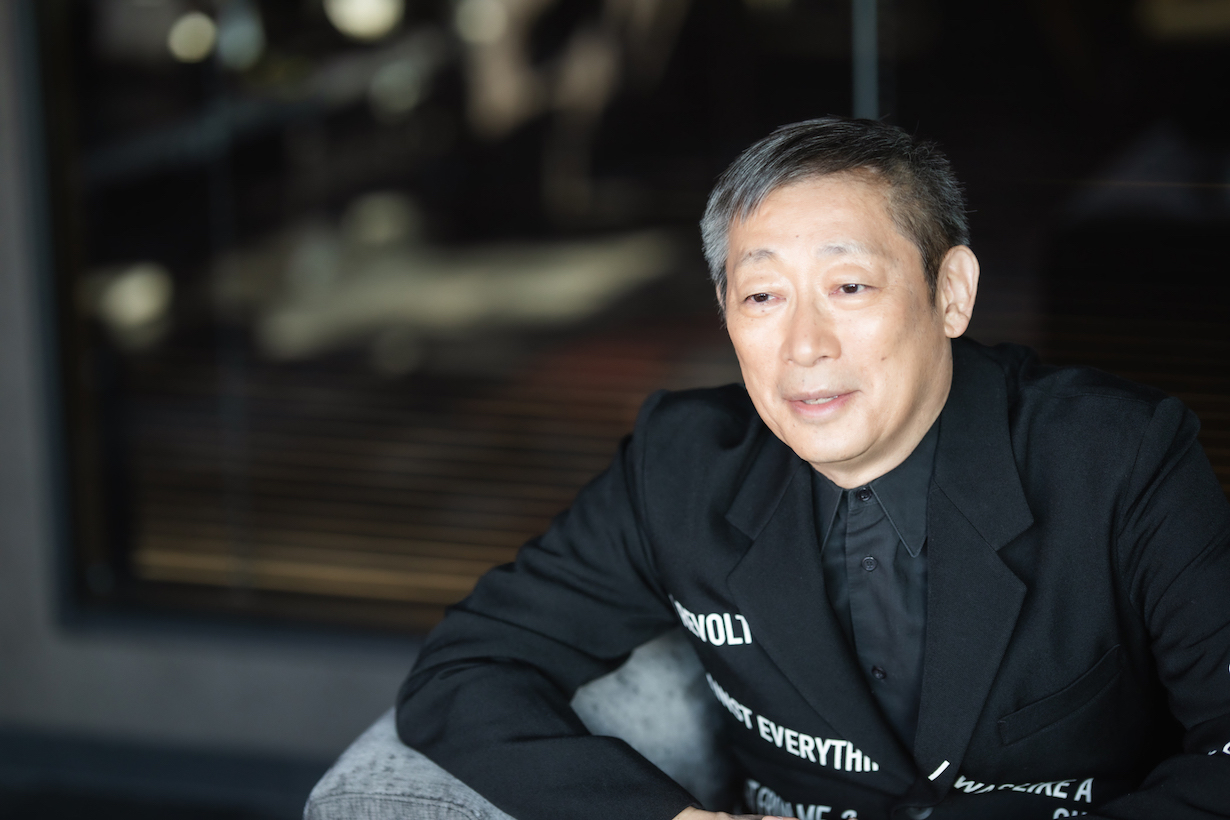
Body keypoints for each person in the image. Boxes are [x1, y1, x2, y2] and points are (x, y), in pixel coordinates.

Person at [396, 117, 1230, 820]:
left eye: (849, 287)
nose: (804, 346)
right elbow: (467, 669)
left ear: (951, 293)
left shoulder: (1117, 458)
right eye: (763, 297)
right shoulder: (681, 466)